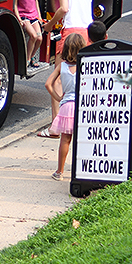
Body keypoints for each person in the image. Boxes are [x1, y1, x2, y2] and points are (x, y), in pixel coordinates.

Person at [46, 33, 85, 180]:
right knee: (82, 140)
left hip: (67, 106)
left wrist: (58, 97)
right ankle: (81, 170)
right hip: (82, 106)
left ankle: (60, 171)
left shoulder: (61, 67)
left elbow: (48, 84)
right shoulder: (85, 65)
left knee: (65, 139)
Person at [17, 0, 43, 68]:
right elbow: (15, 4)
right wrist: (19, 18)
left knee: (40, 38)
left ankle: (32, 56)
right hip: (24, 14)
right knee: (33, 35)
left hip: (33, 14)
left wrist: (39, 16)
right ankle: (27, 59)